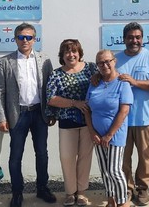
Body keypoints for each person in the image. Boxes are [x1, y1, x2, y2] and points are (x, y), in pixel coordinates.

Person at [0, 23, 56, 207]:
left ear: (34, 39)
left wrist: (51, 111)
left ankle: (42, 188)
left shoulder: (44, 60)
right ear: (15, 39)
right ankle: (17, 192)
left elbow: (50, 88)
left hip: (39, 113)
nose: (25, 40)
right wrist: (1, 117)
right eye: (21, 37)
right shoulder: (5, 62)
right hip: (18, 114)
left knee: (42, 154)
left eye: (29, 37)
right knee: (15, 156)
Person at [116, 22, 149, 206]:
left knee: (145, 157)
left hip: (145, 117)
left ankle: (142, 189)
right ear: (124, 39)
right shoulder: (115, 59)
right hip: (121, 119)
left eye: (137, 37)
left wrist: (134, 82)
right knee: (123, 158)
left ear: (142, 39)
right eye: (130, 37)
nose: (134, 40)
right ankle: (126, 189)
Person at [46, 39, 97, 207]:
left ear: (79, 53)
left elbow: (105, 81)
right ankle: (69, 192)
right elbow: (51, 98)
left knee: (85, 158)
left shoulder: (91, 69)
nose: (71, 54)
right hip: (67, 122)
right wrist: (75, 103)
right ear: (62, 55)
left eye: (74, 51)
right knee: (67, 158)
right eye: (67, 51)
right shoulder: (56, 74)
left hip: (88, 122)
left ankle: (81, 193)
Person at [85, 49, 133, 207]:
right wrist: (92, 132)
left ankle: (122, 202)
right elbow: (87, 109)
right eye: (100, 63)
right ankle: (111, 200)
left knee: (114, 170)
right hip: (97, 136)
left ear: (114, 61)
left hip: (115, 135)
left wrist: (109, 135)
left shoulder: (122, 82)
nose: (104, 65)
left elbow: (124, 111)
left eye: (107, 61)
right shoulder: (94, 83)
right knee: (105, 172)